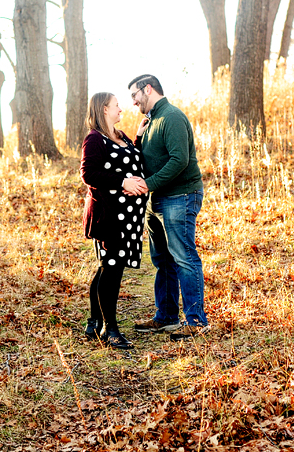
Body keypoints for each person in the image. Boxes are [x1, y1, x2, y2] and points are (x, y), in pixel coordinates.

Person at [127, 74, 208, 341]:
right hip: (158, 200)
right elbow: (144, 158)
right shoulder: (151, 121)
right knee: (163, 260)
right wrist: (138, 138)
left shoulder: (171, 116)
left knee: (184, 257)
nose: (133, 101)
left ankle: (197, 322)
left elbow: (179, 160)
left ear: (147, 89)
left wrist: (147, 184)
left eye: (134, 95)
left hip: (180, 196)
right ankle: (166, 317)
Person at [80, 92, 149, 349]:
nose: (121, 109)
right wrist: (122, 183)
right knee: (111, 269)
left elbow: (133, 162)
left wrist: (139, 137)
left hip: (128, 216)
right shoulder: (95, 139)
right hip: (109, 215)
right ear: (104, 109)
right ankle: (110, 330)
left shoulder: (120, 136)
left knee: (107, 268)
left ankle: (94, 321)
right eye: (116, 105)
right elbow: (89, 174)